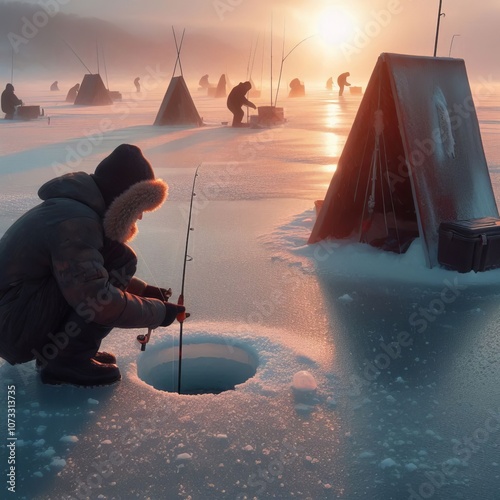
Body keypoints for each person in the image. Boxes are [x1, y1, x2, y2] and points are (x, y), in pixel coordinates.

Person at [0, 144, 185, 387]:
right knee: (121, 259)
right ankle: (67, 361)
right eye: (138, 208)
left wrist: (142, 291)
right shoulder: (75, 222)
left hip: (16, 315)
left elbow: (84, 272)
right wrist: (160, 313)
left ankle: (66, 352)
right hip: (13, 329)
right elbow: (97, 298)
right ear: (122, 201)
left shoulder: (74, 210)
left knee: (116, 256)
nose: (139, 217)